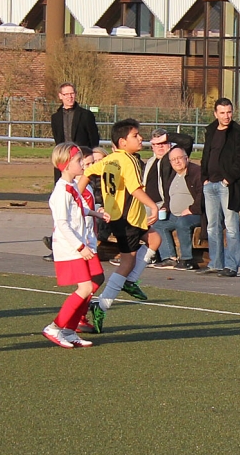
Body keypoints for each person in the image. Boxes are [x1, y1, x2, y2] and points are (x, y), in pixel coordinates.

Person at [78, 118, 161, 332]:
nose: (141, 138)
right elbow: (135, 190)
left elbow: (87, 173)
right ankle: (103, 305)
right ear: (123, 141)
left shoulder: (111, 158)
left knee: (154, 239)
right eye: (136, 135)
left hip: (122, 217)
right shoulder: (129, 160)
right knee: (127, 263)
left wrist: (76, 196)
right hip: (127, 219)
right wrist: (154, 206)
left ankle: (129, 282)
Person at [43, 143, 109, 348]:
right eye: (79, 161)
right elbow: (62, 223)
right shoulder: (61, 191)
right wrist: (80, 247)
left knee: (93, 280)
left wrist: (97, 213)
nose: (83, 164)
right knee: (86, 287)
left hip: (79, 244)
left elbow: (81, 208)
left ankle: (69, 330)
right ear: (65, 165)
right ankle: (55, 327)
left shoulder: (72, 187)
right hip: (70, 247)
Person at [44, 82, 101, 257]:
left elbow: (94, 140)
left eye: (72, 93)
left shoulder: (85, 115)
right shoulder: (56, 117)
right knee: (63, 207)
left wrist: (86, 162)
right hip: (64, 167)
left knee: (79, 206)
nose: (70, 97)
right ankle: (57, 247)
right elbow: (59, 143)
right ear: (60, 96)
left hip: (81, 166)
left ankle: (84, 245)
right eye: (66, 94)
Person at [201, 98, 240, 277]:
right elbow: (206, 154)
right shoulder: (211, 131)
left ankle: (231, 266)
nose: (226, 116)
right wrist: (204, 178)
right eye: (222, 113)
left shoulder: (239, 133)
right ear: (215, 114)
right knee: (212, 227)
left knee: (231, 227)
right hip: (210, 185)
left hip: (227, 187)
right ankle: (215, 263)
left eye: (229, 112)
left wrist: (227, 180)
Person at [152, 146, 202, 270]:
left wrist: (192, 209)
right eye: (173, 159)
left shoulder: (196, 172)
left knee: (182, 222)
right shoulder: (174, 175)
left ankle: (187, 260)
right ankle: (169, 257)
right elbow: (169, 197)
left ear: (187, 158)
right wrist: (164, 208)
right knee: (158, 224)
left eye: (179, 158)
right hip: (175, 215)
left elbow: (203, 194)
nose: (177, 162)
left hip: (196, 214)